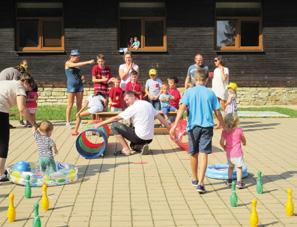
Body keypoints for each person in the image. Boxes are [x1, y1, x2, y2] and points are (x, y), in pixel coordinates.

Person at [170, 71, 224, 193]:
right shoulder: (211, 93)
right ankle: (201, 183)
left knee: (193, 153)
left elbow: (181, 109)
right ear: (206, 81)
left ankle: (194, 178)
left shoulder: (189, 92)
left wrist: (174, 126)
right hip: (207, 127)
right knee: (204, 154)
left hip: (192, 127)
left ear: (195, 80)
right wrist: (222, 124)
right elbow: (218, 112)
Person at [96, 91, 170, 156]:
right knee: (132, 145)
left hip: (139, 137)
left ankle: (126, 149)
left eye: (127, 99)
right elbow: (161, 118)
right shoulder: (148, 104)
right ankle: (141, 147)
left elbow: (116, 118)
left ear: (133, 96)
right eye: (125, 101)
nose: (126, 102)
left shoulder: (134, 107)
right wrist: (170, 130)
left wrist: (101, 123)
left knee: (114, 125)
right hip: (149, 138)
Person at [0, 73, 37, 182]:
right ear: (26, 83)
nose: (27, 92)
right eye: (29, 89)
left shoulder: (6, 82)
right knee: (2, 143)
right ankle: (1, 174)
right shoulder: (20, 88)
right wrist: (34, 123)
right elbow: (22, 109)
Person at [65, 49, 94, 127]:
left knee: (79, 105)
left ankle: (79, 120)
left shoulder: (77, 65)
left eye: (78, 57)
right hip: (71, 86)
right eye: (76, 57)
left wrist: (82, 77)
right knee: (70, 104)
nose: (77, 58)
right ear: (72, 56)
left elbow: (78, 74)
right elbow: (74, 66)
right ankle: (67, 121)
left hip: (79, 86)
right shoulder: (68, 63)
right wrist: (88, 62)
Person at [220, 113, 246, 189]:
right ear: (236, 122)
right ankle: (239, 182)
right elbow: (243, 139)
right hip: (237, 154)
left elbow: (221, 142)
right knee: (239, 167)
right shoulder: (239, 130)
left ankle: (229, 180)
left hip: (229, 154)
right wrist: (244, 142)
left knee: (230, 167)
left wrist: (224, 147)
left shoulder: (224, 131)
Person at [0, 60, 29, 127]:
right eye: (25, 65)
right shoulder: (17, 73)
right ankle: (6, 124)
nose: (26, 66)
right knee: (5, 106)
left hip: (2, 86)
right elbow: (17, 85)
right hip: (3, 88)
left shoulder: (13, 69)